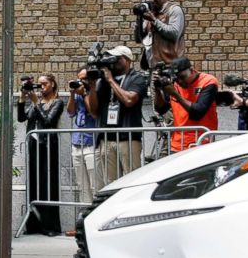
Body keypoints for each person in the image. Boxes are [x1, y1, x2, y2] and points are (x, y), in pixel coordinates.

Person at [86, 45, 149, 187]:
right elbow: (94, 112)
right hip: (107, 139)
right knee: (111, 183)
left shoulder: (137, 78)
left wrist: (110, 81)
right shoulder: (103, 81)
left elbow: (129, 100)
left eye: (116, 58)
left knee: (132, 180)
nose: (112, 62)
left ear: (127, 60)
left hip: (128, 138)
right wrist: (92, 87)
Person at [17, 73, 64, 236]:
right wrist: (23, 98)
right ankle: (34, 225)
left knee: (48, 183)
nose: (41, 86)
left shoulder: (57, 102)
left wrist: (36, 102)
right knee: (34, 183)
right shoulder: (36, 103)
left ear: (52, 84)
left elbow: (49, 121)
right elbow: (21, 118)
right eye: (39, 84)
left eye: (44, 84)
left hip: (48, 146)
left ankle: (50, 226)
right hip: (34, 145)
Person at [152, 57, 218, 152]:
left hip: (201, 142)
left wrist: (175, 94)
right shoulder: (174, 83)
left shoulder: (208, 81)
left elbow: (197, 113)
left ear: (191, 70)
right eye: (177, 78)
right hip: (177, 144)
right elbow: (161, 109)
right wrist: (158, 90)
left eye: (183, 77)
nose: (180, 81)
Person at [133, 0, 186, 69]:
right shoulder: (150, 13)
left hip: (171, 67)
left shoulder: (174, 10)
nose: (152, 1)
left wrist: (154, 20)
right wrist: (139, 19)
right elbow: (138, 39)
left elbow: (174, 34)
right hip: (152, 67)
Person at [66, 69, 98, 203]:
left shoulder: (94, 93)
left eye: (84, 78)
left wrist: (85, 94)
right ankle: (86, 214)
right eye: (79, 79)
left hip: (91, 142)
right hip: (77, 142)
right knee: (82, 185)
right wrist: (72, 94)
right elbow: (70, 112)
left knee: (94, 183)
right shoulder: (78, 94)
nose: (82, 82)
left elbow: (94, 113)